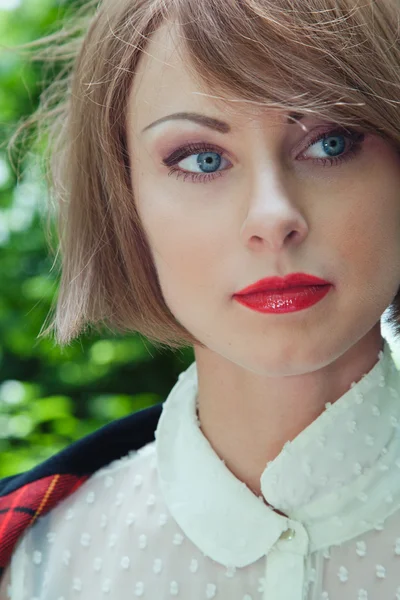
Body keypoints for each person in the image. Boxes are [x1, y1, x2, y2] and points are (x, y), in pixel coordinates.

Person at [2, 0, 400, 597]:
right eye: (202, 159)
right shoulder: (34, 563)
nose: (273, 216)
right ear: (124, 202)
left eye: (332, 143)